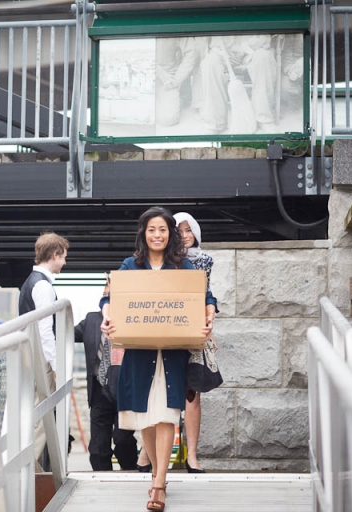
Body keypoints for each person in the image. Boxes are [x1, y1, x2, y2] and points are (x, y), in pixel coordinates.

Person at [100, 207, 216, 511]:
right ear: (144, 233)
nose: (157, 235)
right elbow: (109, 298)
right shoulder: (129, 266)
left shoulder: (184, 266)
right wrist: (107, 317)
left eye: (163, 230)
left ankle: (159, 483)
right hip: (139, 355)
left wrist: (208, 313)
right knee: (146, 421)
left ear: (171, 234)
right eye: (152, 229)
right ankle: (155, 471)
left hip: (172, 354)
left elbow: (206, 296)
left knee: (166, 415)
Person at [18, 231, 69, 472]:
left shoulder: (31, 282)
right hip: (40, 360)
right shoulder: (42, 286)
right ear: (55, 254)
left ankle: (31, 468)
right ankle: (28, 468)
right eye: (64, 256)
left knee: (34, 413)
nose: (65, 262)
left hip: (31, 356)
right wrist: (57, 365)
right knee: (41, 416)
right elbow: (46, 330)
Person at [74, 280, 138, 471]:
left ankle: (132, 471)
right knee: (98, 446)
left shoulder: (133, 319)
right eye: (104, 293)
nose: (105, 297)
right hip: (99, 389)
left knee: (122, 438)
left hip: (125, 388)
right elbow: (65, 333)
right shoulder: (92, 319)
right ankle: (101, 478)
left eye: (109, 294)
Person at [174, 212, 218, 474]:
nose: (185, 236)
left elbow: (205, 295)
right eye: (179, 232)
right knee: (165, 393)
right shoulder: (163, 261)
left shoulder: (204, 261)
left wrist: (209, 324)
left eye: (188, 230)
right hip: (167, 330)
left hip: (194, 332)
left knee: (192, 394)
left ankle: (192, 457)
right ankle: (146, 454)